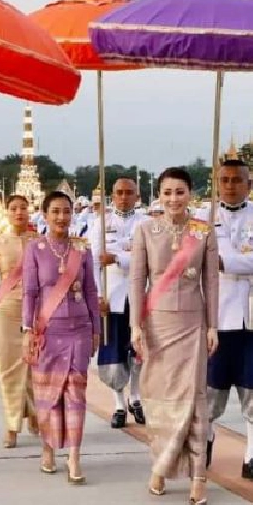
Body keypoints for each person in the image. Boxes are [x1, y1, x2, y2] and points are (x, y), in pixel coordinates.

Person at [130, 167, 219, 505]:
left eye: (180, 192)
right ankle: (161, 464)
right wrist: (135, 326)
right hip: (156, 323)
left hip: (193, 322)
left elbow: (211, 282)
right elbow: (138, 281)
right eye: (167, 192)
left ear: (190, 194)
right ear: (159, 194)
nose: (173, 199)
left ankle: (199, 475)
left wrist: (213, 326)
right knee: (158, 399)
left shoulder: (203, 231)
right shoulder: (145, 230)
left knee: (193, 398)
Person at [200, 159, 253, 484]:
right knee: (209, 386)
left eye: (237, 180)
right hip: (215, 312)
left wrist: (222, 261)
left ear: (249, 184)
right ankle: (203, 439)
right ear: (217, 183)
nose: (231, 185)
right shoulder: (203, 219)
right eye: (225, 180)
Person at [22, 191, 100, 484]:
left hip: (78, 329)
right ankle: (48, 448)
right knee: (47, 394)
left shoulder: (82, 248)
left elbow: (91, 290)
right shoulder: (35, 248)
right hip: (47, 330)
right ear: (44, 214)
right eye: (55, 211)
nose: (61, 217)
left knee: (76, 394)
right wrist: (28, 330)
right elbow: (30, 292)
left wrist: (96, 329)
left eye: (66, 211)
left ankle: (75, 456)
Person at [0, 195, 38, 447]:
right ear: (7, 212)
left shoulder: (40, 242)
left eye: (23, 208)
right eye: (13, 209)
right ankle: (12, 425)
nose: (19, 213)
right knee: (6, 366)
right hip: (5, 309)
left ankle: (35, 414)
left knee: (35, 367)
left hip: (36, 310)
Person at [89, 178, 147, 428]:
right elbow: (93, 262)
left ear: (137, 195)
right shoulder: (100, 223)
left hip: (138, 294)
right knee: (112, 352)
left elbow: (147, 257)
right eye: (119, 193)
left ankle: (136, 396)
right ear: (112, 195)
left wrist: (118, 257)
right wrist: (97, 296)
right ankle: (119, 404)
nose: (124, 197)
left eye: (129, 193)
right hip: (111, 295)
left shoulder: (146, 223)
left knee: (138, 351)